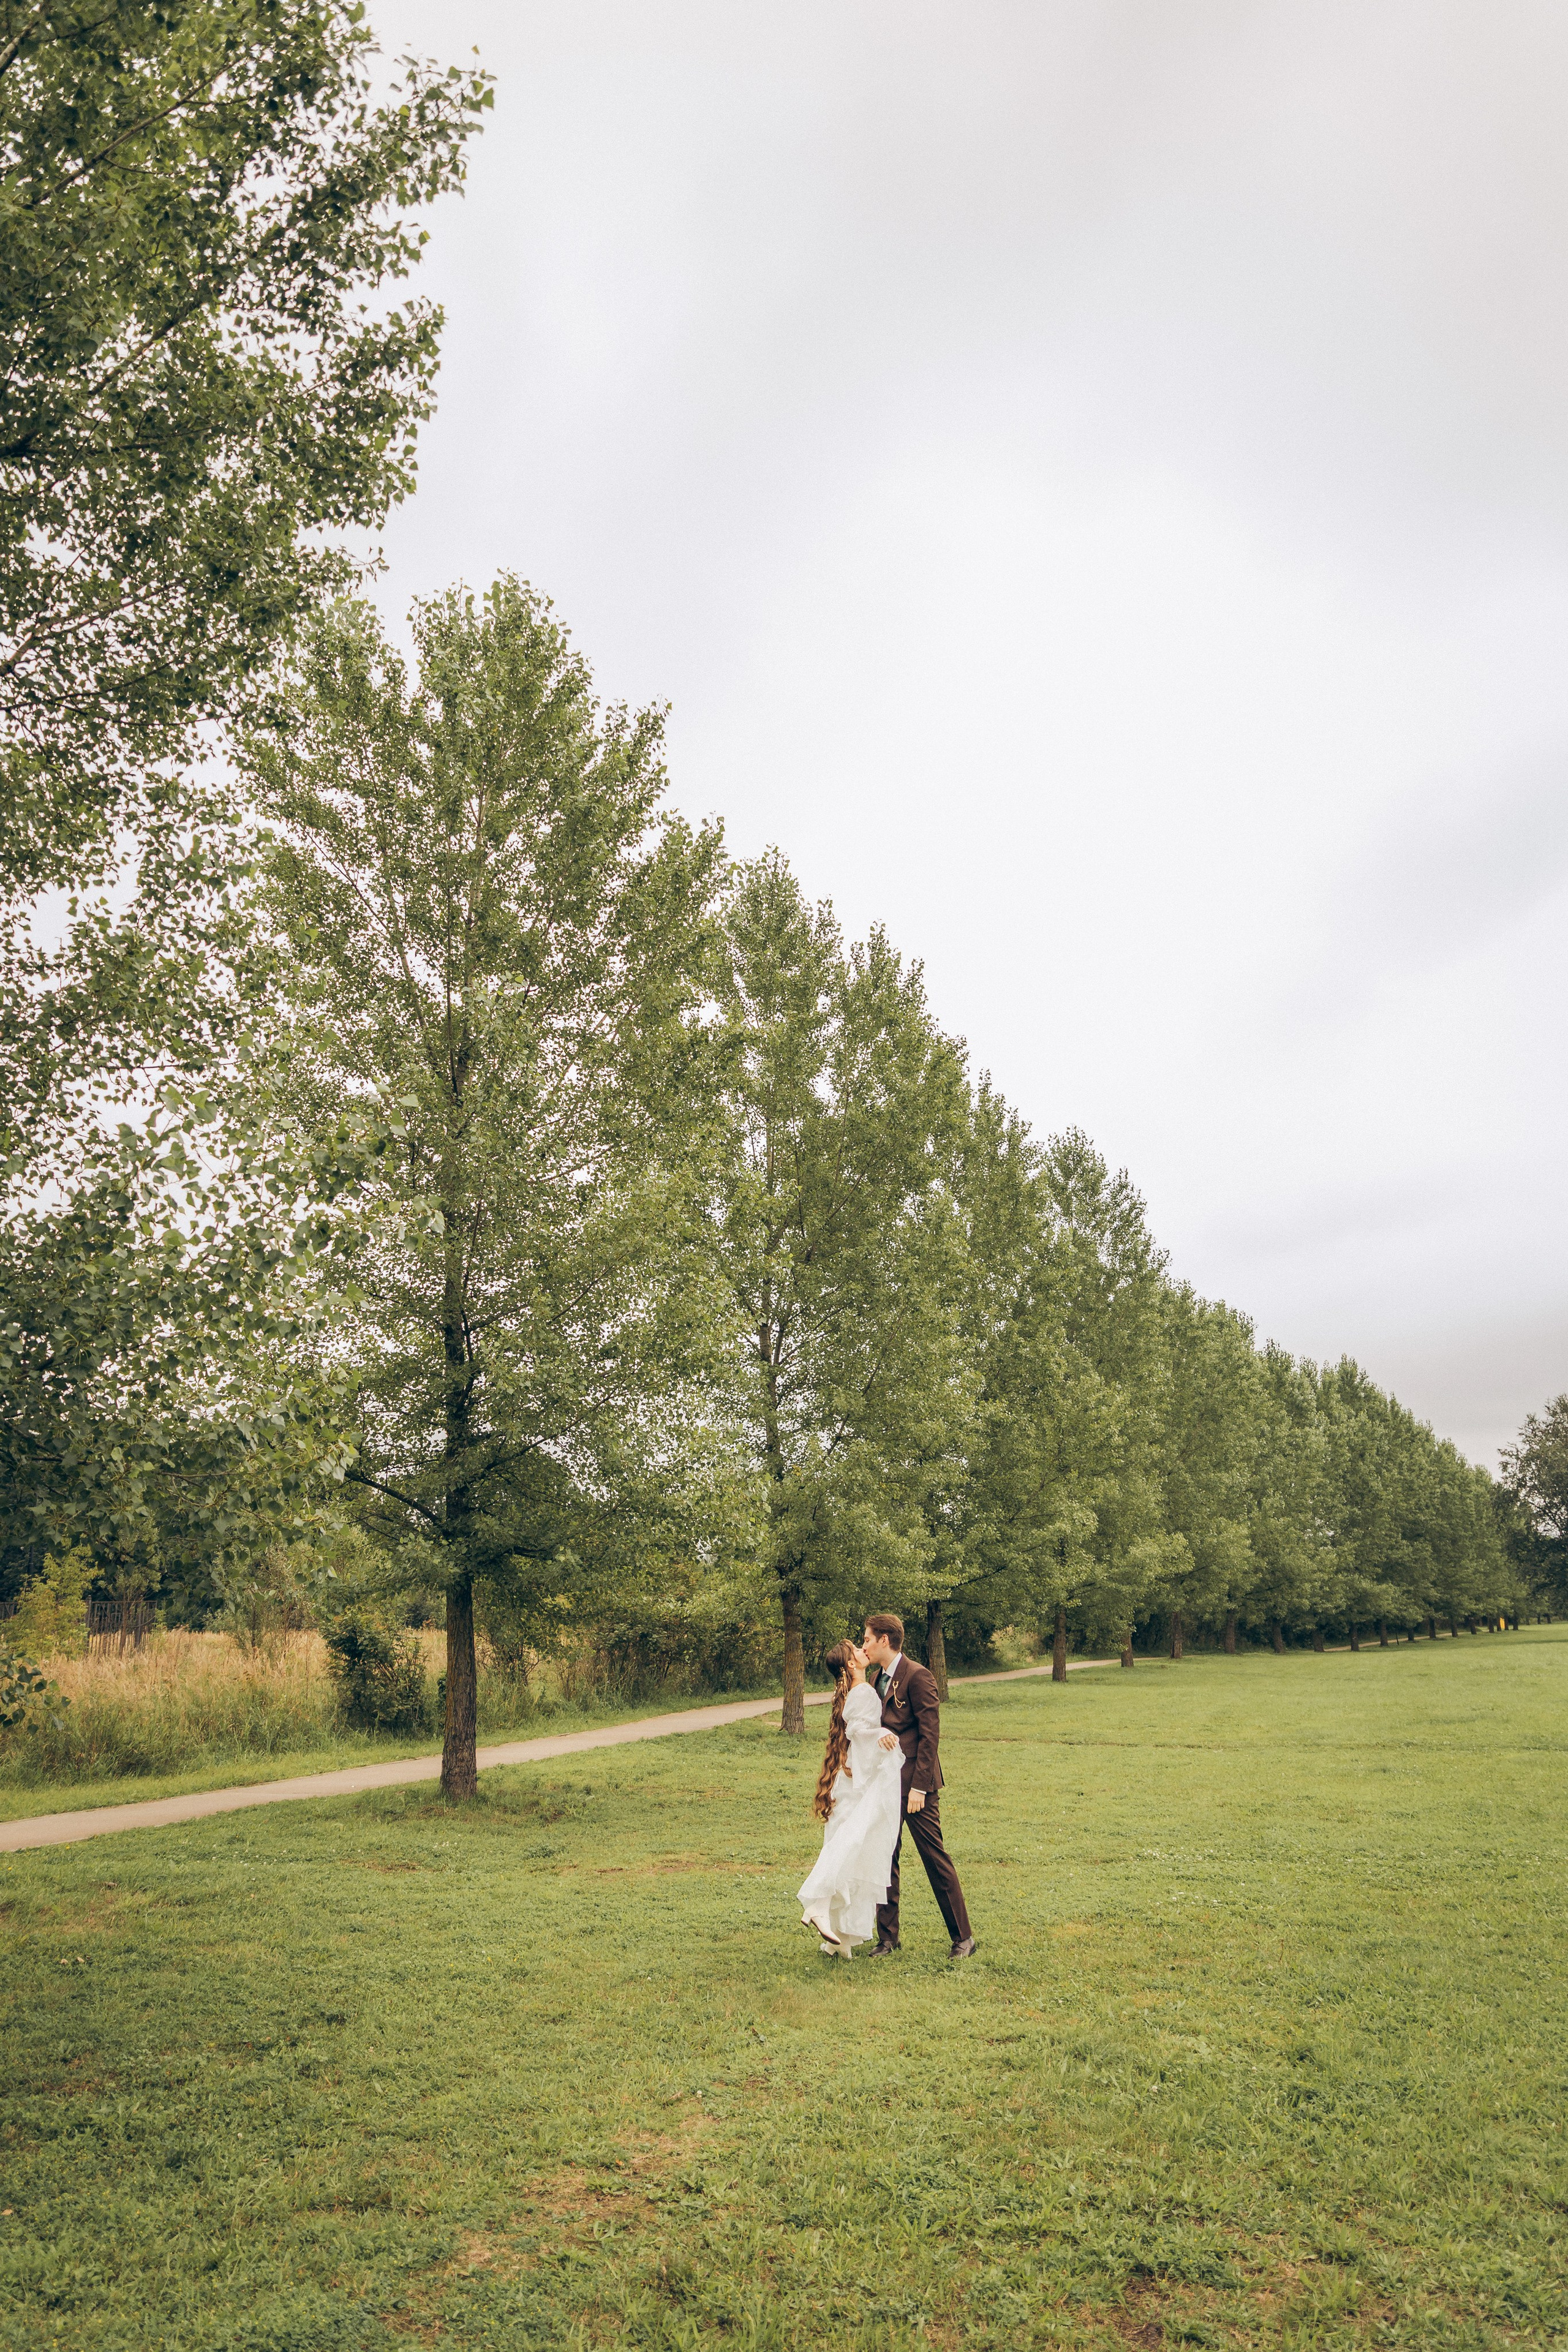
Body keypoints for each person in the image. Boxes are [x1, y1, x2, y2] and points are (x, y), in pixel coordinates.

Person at [861, 1611, 977, 1959]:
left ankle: (964, 1939)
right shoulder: (874, 1679)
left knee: (934, 1857)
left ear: (885, 1640)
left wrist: (920, 1788)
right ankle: (888, 1939)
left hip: (916, 1786)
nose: (864, 1643)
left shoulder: (918, 1675)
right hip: (884, 1783)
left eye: (867, 1638)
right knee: (886, 1858)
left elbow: (930, 1736)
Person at [797, 1640, 904, 1957]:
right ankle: (818, 1904)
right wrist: (880, 1735)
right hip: (857, 1784)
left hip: (855, 1778)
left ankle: (842, 1937)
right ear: (851, 1664)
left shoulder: (860, 1688)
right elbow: (858, 1728)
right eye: (857, 1649)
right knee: (851, 1844)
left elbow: (852, 1732)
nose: (863, 1648)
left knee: (856, 1848)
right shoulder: (862, 1691)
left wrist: (856, 1758)